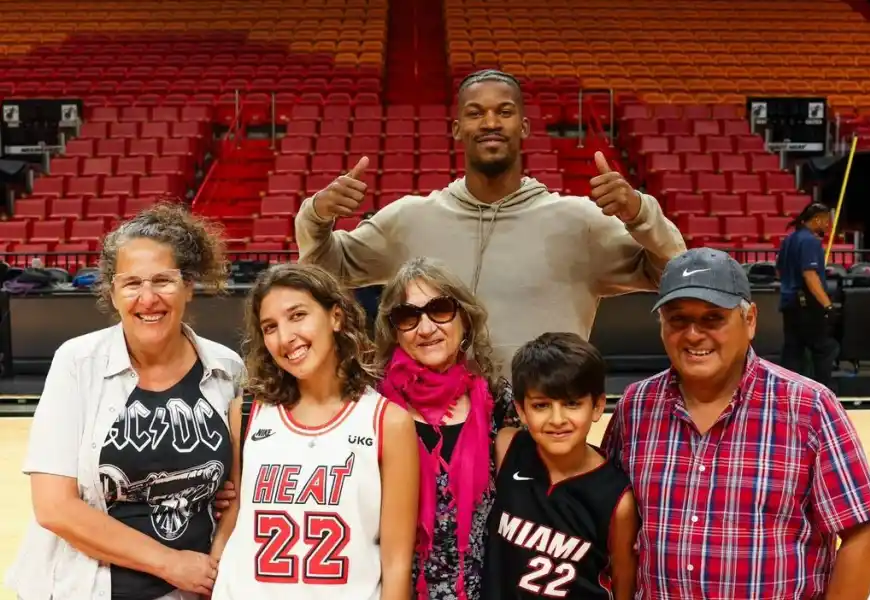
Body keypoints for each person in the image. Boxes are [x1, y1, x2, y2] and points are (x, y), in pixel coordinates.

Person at [294, 69, 686, 375]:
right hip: (439, 430)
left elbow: (671, 271)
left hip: (544, 427)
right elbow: (324, 270)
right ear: (457, 129)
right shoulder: (410, 218)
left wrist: (639, 213)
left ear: (525, 127)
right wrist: (318, 215)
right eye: (475, 113)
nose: (490, 122)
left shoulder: (579, 221)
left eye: (504, 111)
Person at [601, 247, 870, 600]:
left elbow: (866, 534)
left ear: (750, 320)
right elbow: (612, 521)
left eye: (712, 318)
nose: (693, 335)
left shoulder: (809, 407)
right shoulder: (636, 406)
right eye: (678, 319)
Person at [5, 203, 245, 600]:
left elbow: (233, 490)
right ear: (113, 292)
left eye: (163, 280)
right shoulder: (77, 362)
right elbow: (54, 508)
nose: (147, 298)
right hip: (86, 587)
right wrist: (170, 564)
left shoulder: (227, 368)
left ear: (188, 285)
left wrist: (213, 565)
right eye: (132, 283)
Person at [209, 263, 419, 600]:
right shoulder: (246, 412)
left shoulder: (387, 421)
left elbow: (396, 562)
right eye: (270, 327)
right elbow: (231, 523)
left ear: (336, 317)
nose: (285, 337)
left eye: (297, 315)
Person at [374, 256, 519, 599]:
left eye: (439, 310)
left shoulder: (498, 402)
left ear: (465, 318)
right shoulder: (373, 406)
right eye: (408, 317)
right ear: (394, 331)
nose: (425, 329)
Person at [485, 332, 638, 600]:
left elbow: (623, 582)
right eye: (541, 405)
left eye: (572, 403)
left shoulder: (616, 498)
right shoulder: (508, 447)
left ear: (598, 406)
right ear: (521, 410)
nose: (557, 419)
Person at [775, 201, 840, 389]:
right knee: (825, 349)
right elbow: (810, 276)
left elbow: (779, 271)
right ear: (817, 219)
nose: (828, 225)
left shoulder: (789, 240)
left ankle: (788, 393)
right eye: (827, 221)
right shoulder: (810, 241)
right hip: (807, 305)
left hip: (789, 303)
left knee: (793, 352)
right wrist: (827, 306)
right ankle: (822, 393)